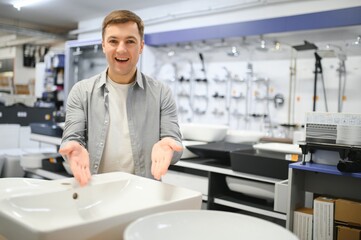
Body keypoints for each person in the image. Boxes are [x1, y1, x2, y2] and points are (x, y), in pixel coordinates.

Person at [59, 10, 183, 186]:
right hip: (95, 192)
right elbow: (72, 139)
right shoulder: (81, 92)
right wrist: (72, 147)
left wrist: (170, 147)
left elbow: (174, 146)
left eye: (130, 41)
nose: (121, 49)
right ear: (103, 45)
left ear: (141, 46)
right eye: (113, 41)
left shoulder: (162, 93)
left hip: (143, 194)